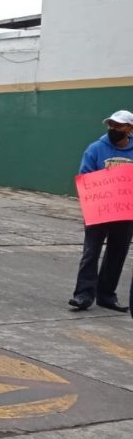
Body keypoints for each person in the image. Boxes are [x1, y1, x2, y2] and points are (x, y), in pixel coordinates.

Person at [69, 110, 133, 312]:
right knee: (91, 252)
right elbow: (86, 176)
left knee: (117, 253)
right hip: (98, 210)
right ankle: (83, 296)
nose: (113, 129)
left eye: (119, 126)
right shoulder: (96, 149)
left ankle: (106, 296)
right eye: (111, 125)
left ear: (130, 128)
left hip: (125, 213)